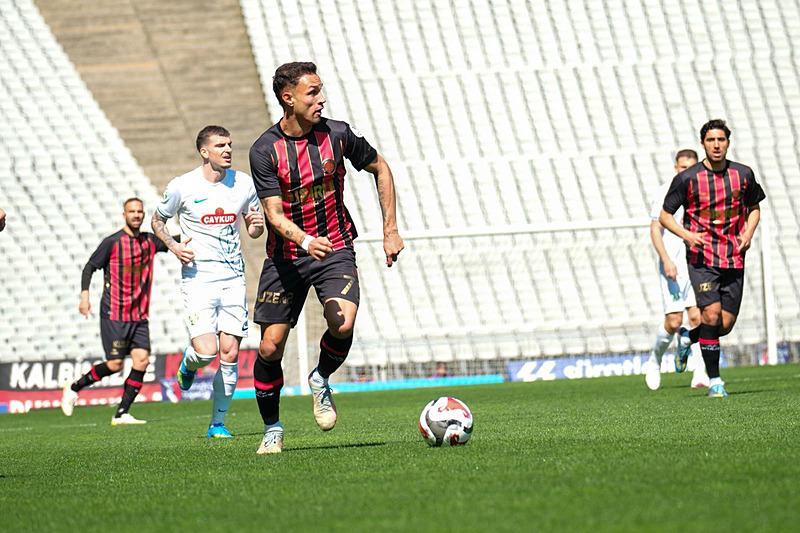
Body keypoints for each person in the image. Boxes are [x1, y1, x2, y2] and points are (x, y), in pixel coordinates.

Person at [248, 61, 404, 454]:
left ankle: (321, 378)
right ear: (289, 98)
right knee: (269, 348)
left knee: (343, 321)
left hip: (334, 246)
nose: (321, 98)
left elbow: (380, 167)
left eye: (320, 91)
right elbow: (273, 215)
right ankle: (272, 429)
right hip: (286, 257)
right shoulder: (265, 150)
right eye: (312, 92)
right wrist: (303, 240)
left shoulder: (338, 134)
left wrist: (390, 230)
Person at [152, 125, 264, 437]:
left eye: (229, 144)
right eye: (220, 146)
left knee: (229, 353)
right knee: (206, 351)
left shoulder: (243, 183)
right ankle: (189, 365)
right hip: (198, 279)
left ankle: (218, 424)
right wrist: (174, 247)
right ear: (205, 152)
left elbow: (254, 229)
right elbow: (157, 220)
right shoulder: (182, 186)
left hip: (233, 279)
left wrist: (256, 226)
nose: (228, 150)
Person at [659, 119, 766, 398]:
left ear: (728, 142)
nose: (716, 145)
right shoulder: (687, 178)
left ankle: (689, 336)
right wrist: (686, 234)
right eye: (711, 140)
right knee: (711, 314)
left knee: (724, 325)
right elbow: (664, 215)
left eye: (721, 140)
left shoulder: (743, 174)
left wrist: (748, 232)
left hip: (733, 256)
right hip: (702, 258)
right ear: (703, 143)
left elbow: (754, 208)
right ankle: (715, 381)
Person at [62, 198, 171, 424]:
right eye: (132, 211)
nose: (136, 215)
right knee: (115, 365)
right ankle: (74, 388)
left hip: (139, 316)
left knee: (141, 360)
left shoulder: (150, 241)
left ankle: (121, 413)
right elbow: (90, 267)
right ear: (124, 215)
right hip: (114, 314)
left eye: (140, 211)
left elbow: (174, 241)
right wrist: (84, 296)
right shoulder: (112, 242)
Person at [645, 149, 709, 391]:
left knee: (697, 317)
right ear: (676, 168)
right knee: (673, 322)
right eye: (683, 167)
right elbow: (655, 229)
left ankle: (700, 372)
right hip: (672, 266)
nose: (687, 171)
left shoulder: (704, 190)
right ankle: (654, 360)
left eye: (691, 167)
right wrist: (666, 260)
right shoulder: (664, 191)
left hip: (697, 264)